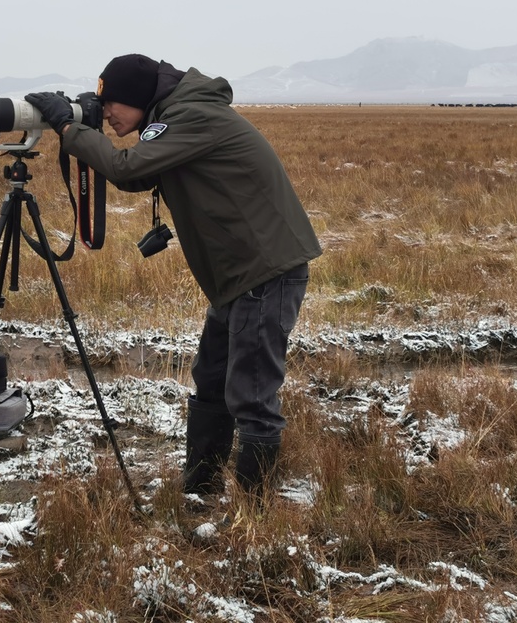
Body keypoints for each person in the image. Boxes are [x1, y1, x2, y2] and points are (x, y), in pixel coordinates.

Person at [25, 54, 321, 498]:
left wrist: (71, 129)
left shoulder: (191, 116)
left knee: (252, 395)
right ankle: (200, 489)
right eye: (102, 107)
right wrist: (86, 124)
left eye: (113, 105)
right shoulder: (177, 116)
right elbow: (137, 175)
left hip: (264, 272)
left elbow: (127, 168)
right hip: (242, 275)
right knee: (213, 379)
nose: (108, 114)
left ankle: (254, 518)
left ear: (142, 98)